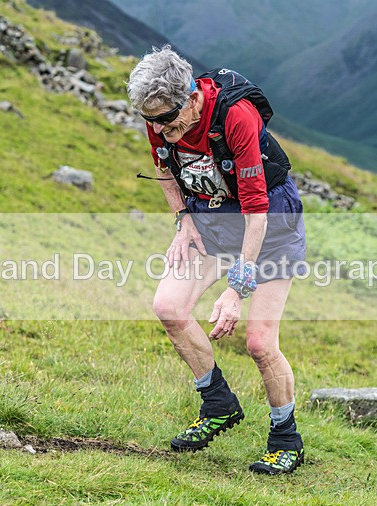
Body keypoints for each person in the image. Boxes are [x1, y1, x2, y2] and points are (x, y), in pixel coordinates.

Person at [127, 45, 306, 474]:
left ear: (191, 97)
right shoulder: (160, 116)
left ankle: (286, 439)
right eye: (151, 122)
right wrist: (183, 219)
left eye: (168, 121)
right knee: (169, 307)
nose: (161, 131)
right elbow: (166, 169)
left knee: (260, 344)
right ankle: (218, 403)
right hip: (210, 220)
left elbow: (255, 206)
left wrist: (236, 288)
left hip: (269, 223)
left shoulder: (235, 117)